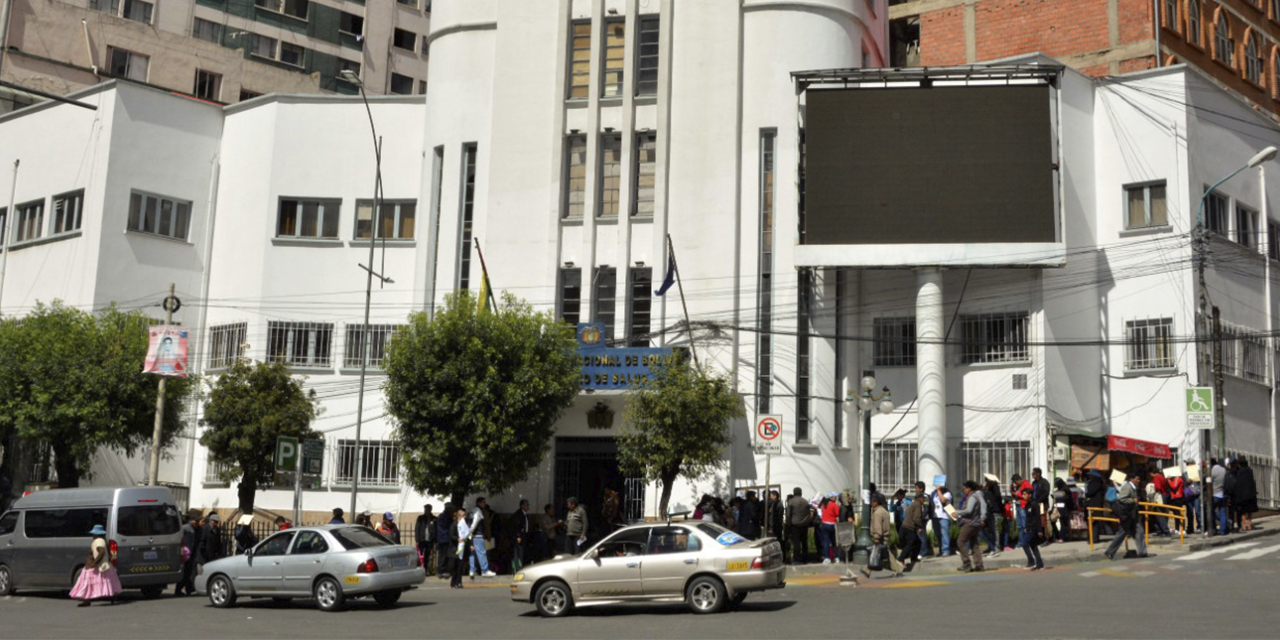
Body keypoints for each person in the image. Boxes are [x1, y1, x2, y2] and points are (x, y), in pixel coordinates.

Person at [70, 524, 122, 606]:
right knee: (106, 581)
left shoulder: (98, 541)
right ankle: (111, 597)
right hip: (104, 565)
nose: (92, 536)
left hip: (94, 565)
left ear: (97, 534)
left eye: (93, 534)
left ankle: (86, 601)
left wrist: (94, 563)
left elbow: (101, 551)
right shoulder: (104, 540)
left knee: (86, 584)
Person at [1106, 471, 1149, 560]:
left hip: (1133, 515)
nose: (1139, 481)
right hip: (1128, 515)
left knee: (1139, 532)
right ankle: (1110, 552)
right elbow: (1122, 498)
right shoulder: (1127, 487)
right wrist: (1133, 501)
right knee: (1122, 533)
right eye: (1137, 479)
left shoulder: (1133, 487)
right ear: (1132, 479)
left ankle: (1142, 552)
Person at [859, 493, 903, 578]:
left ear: (876, 502)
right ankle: (867, 569)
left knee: (880, 554)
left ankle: (897, 570)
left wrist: (876, 537)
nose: (871, 503)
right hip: (885, 536)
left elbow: (878, 526)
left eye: (872, 501)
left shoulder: (877, 513)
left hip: (881, 537)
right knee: (877, 553)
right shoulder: (884, 511)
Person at [954, 481, 986, 573]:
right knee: (974, 544)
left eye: (965, 488)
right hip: (976, 523)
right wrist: (982, 518)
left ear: (969, 488)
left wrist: (958, 512)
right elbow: (983, 507)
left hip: (970, 523)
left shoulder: (972, 497)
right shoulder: (978, 496)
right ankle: (979, 565)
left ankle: (966, 563)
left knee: (960, 541)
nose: (964, 490)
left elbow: (969, 511)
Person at [1018, 483, 1045, 570]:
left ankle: (1031, 561)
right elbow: (1028, 518)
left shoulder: (1034, 504)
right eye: (1023, 494)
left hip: (1033, 529)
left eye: (1025, 494)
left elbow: (1037, 518)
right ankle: (1039, 563)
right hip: (1028, 528)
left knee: (1024, 543)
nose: (1023, 496)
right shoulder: (1027, 505)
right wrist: (1026, 526)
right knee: (1033, 546)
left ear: (1030, 495)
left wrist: (1039, 530)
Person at [898, 492, 926, 572]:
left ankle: (913, 558)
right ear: (919, 499)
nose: (924, 500)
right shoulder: (917, 505)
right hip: (909, 528)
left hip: (905, 527)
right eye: (923, 498)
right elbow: (917, 518)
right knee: (909, 544)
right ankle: (901, 559)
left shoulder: (913, 504)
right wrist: (920, 527)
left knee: (917, 542)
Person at [175, 511, 202, 596]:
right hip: (186, 553)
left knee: (190, 572)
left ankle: (189, 589)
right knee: (185, 572)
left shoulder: (198, 529)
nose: (196, 523)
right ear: (192, 521)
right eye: (196, 521)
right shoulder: (185, 528)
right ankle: (178, 589)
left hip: (193, 553)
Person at [469, 498, 495, 577]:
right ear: (479, 503)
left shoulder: (472, 510)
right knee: (481, 553)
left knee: (473, 554)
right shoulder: (478, 511)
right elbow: (475, 523)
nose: (485, 504)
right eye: (483, 502)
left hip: (473, 536)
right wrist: (470, 531)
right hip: (478, 535)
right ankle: (485, 570)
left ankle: (472, 570)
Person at [785, 487, 811, 564]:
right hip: (804, 524)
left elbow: (788, 514)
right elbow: (808, 513)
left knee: (796, 543)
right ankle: (805, 558)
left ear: (794, 492)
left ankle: (797, 559)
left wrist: (788, 524)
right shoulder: (805, 501)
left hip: (795, 525)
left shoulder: (791, 501)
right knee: (804, 542)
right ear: (801, 492)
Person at [1234, 458, 1258, 532]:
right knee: (1249, 511)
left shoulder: (1239, 472)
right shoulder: (1250, 471)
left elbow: (1238, 484)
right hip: (1250, 494)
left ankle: (1244, 525)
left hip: (1242, 495)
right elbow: (1252, 483)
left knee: (1243, 512)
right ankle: (1249, 524)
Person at [980, 476, 1002, 555]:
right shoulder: (987, 489)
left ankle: (996, 546)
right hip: (988, 511)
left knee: (995, 529)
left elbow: (998, 498)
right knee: (989, 530)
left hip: (994, 511)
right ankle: (991, 546)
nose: (986, 482)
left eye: (987, 480)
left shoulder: (995, 488)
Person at [931, 484, 953, 557]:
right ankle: (941, 550)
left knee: (944, 534)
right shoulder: (934, 493)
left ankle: (946, 550)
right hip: (935, 517)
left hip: (944, 516)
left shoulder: (947, 493)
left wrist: (939, 490)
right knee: (938, 534)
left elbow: (943, 500)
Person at [435, 503, 455, 578]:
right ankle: (441, 570)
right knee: (443, 555)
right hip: (444, 538)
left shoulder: (442, 516)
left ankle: (442, 570)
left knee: (443, 555)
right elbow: (446, 527)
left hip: (442, 538)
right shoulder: (445, 516)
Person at [818, 494, 839, 564]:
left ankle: (827, 558)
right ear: (831, 498)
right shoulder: (834, 505)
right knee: (834, 542)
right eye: (834, 497)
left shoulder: (824, 505)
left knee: (826, 542)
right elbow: (837, 513)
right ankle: (836, 558)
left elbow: (821, 512)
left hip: (824, 524)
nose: (835, 498)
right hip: (832, 524)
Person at [450, 507, 468, 589]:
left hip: (462, 548)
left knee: (460, 566)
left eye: (465, 515)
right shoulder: (454, 525)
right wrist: (458, 539)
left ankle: (459, 582)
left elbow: (467, 534)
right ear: (459, 516)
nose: (465, 517)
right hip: (455, 549)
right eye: (463, 515)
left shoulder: (464, 525)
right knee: (455, 566)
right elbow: (451, 535)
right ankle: (454, 582)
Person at [511, 499, 532, 570]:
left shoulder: (525, 515)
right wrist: (518, 536)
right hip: (519, 537)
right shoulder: (518, 515)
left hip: (524, 536)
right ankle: (517, 568)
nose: (528, 507)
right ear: (522, 506)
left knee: (522, 553)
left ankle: (521, 567)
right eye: (527, 505)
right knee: (518, 553)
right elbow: (516, 527)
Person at [1210, 458, 1228, 535]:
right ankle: (1222, 530)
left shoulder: (1212, 471)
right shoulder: (1224, 470)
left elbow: (1208, 482)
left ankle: (1213, 528)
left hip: (1215, 494)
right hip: (1223, 494)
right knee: (1223, 511)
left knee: (1211, 511)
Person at [415, 504, 436, 571]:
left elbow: (436, 530)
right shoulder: (420, 518)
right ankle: (419, 568)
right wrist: (417, 540)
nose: (427, 511)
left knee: (428, 555)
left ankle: (426, 569)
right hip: (422, 539)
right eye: (426, 509)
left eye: (428, 509)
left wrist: (435, 540)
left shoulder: (434, 519)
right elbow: (417, 529)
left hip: (429, 540)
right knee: (420, 555)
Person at [1052, 478, 1073, 543]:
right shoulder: (1058, 490)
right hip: (1056, 507)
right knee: (1052, 521)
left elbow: (1069, 500)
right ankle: (1057, 536)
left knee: (1063, 523)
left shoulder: (1066, 490)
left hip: (1064, 508)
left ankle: (1062, 537)